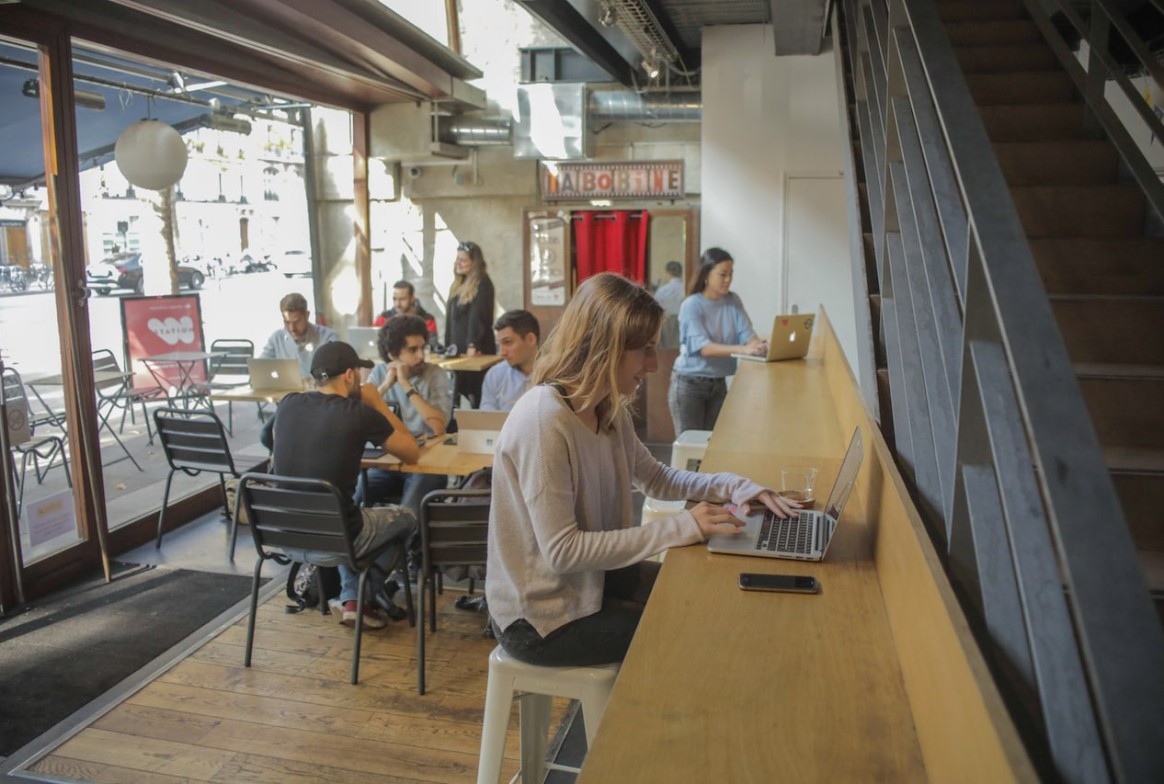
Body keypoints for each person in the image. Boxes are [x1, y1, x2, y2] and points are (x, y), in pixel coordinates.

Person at [486, 272, 797, 666]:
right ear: (605, 348)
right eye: (645, 350)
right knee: (692, 628)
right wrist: (683, 527)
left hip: (590, 582)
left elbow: (656, 478)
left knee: (704, 595)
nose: (652, 364)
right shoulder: (544, 420)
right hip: (538, 617)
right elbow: (563, 552)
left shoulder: (604, 406)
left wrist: (733, 486)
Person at [271, 341, 420, 629]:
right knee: (407, 518)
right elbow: (411, 453)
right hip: (336, 537)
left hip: (282, 536)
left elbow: (278, 442)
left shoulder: (287, 404)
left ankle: (354, 601)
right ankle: (359, 594)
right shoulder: (357, 414)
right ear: (350, 375)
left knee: (348, 510)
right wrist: (377, 404)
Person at [668, 247, 766, 436]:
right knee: (690, 446)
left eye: (731, 274)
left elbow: (747, 335)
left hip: (718, 383)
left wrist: (759, 345)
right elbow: (705, 348)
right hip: (689, 384)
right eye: (723, 274)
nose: (728, 279)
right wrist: (744, 349)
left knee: (712, 444)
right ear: (707, 274)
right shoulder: (691, 305)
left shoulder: (733, 300)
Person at [362, 315, 452, 514]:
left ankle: (405, 545)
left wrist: (406, 386)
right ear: (393, 354)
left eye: (423, 347)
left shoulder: (435, 374)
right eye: (413, 350)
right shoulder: (378, 374)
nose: (421, 355)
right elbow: (359, 416)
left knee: (408, 514)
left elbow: (438, 427)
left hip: (426, 463)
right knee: (356, 497)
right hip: (388, 460)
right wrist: (385, 386)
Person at [444, 240, 496, 407]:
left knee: (476, 393)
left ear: (474, 263)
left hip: (474, 348)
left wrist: (473, 344)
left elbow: (478, 317)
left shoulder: (482, 284)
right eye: (457, 259)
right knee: (457, 391)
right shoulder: (458, 285)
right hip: (457, 347)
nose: (458, 263)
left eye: (463, 260)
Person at [260, 292, 337, 379]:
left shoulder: (328, 338)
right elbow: (260, 370)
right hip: (285, 392)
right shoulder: (276, 339)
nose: (292, 328)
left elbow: (334, 375)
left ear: (307, 315)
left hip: (318, 391)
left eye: (296, 322)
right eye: (287, 322)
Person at [480, 309, 540, 412]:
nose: (502, 352)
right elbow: (486, 422)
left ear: (531, 339)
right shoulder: (494, 376)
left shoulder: (556, 376)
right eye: (499, 344)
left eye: (507, 342)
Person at [372, 280, 439, 350]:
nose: (397, 304)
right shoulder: (383, 318)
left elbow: (432, 345)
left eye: (402, 299)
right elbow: (372, 340)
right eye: (394, 299)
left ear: (412, 299)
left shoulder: (427, 319)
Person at [653, 260, 684, 349]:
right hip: (681, 321)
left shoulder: (662, 290)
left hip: (666, 322)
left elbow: (655, 307)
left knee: (665, 350)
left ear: (668, 273)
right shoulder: (686, 289)